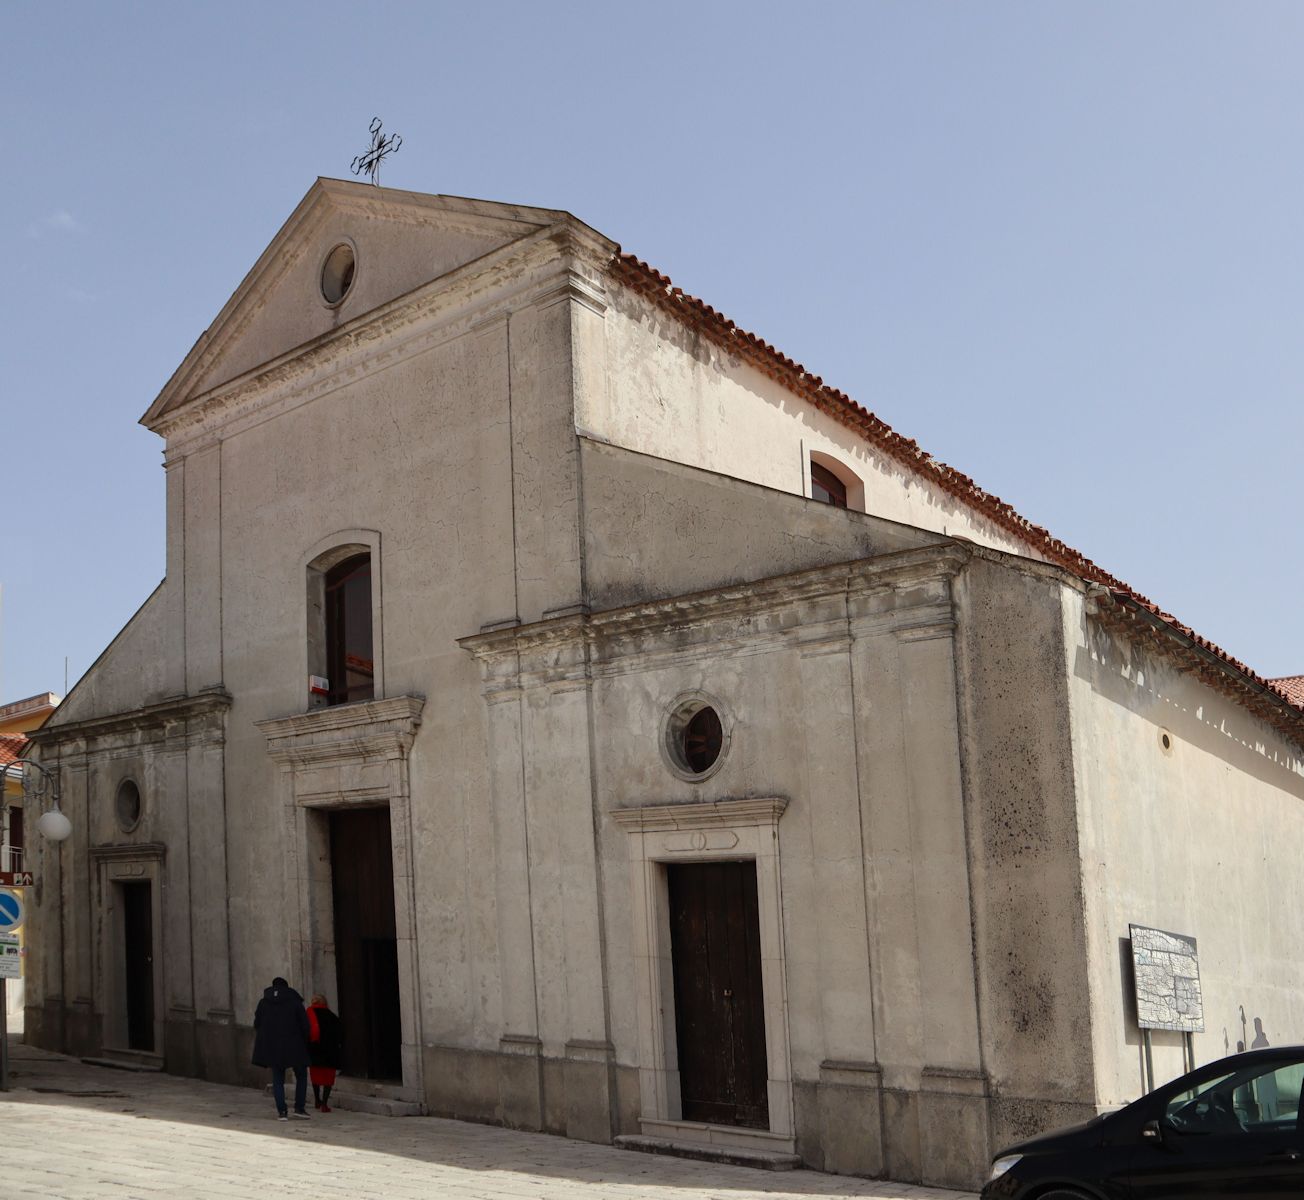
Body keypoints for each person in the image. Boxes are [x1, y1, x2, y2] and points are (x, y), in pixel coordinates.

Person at [252, 976, 312, 1120]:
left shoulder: (264, 1003)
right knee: (301, 1075)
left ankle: (282, 1112)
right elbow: (305, 1025)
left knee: (278, 1078)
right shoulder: (295, 1002)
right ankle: (299, 1108)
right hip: (295, 1045)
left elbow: (257, 1023)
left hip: (273, 1047)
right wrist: (306, 1042)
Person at [306, 993, 344, 1111]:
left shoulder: (308, 1015)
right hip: (329, 1052)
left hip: (314, 1050)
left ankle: (317, 1100)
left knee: (315, 1077)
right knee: (328, 1078)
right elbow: (340, 1034)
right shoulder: (331, 1016)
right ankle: (324, 1103)